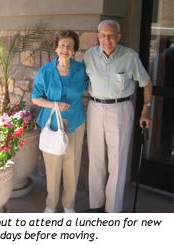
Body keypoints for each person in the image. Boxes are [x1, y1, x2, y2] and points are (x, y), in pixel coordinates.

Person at [84, 19, 152, 213]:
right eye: (103, 35)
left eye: (111, 35)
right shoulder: (89, 56)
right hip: (95, 108)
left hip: (120, 109)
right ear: (98, 37)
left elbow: (146, 83)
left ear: (118, 37)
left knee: (118, 161)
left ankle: (112, 210)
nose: (107, 39)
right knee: (95, 158)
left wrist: (145, 109)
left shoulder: (129, 56)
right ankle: (96, 205)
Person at [31, 30, 88, 213]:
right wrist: (54, 104)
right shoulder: (46, 71)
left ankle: (68, 205)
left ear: (74, 50)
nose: (65, 49)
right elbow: (35, 98)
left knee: (72, 165)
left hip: (75, 122)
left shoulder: (81, 70)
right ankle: (50, 205)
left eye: (69, 46)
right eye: (62, 45)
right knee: (53, 166)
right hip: (52, 123)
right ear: (56, 48)